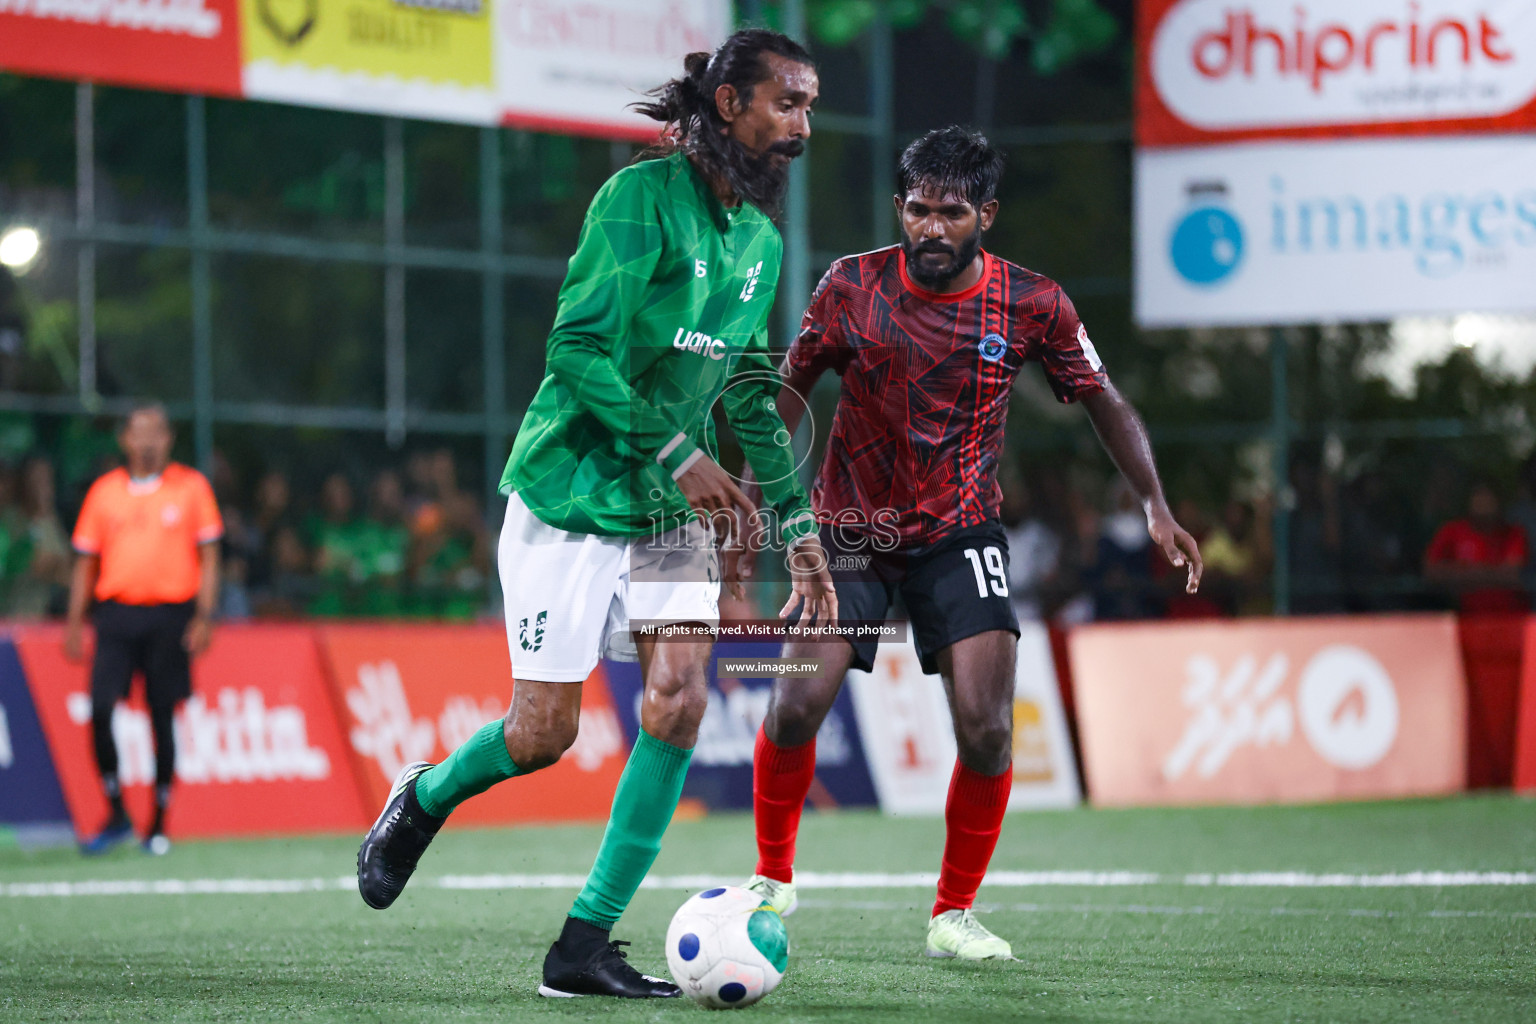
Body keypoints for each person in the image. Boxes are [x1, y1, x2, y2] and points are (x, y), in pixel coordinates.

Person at [355, 29, 835, 1000]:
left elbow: (747, 388)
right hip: (571, 495)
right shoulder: (636, 201)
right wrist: (676, 448)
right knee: (543, 734)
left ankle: (584, 942)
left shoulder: (760, 240)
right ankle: (426, 795)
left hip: (664, 515)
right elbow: (576, 350)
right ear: (732, 102)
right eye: (786, 104)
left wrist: (797, 527)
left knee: (681, 699)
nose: (803, 127)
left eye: (810, 107)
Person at [735, 127, 1202, 959]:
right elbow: (790, 387)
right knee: (797, 703)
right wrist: (758, 500)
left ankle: (953, 914)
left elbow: (1102, 398)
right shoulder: (851, 285)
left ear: (985, 212)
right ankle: (773, 875)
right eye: (918, 209)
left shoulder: (1034, 302)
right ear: (899, 208)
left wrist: (1154, 505)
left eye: (951, 212)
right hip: (853, 529)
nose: (932, 228)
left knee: (986, 730)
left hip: (961, 532)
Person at [64, 403, 223, 855]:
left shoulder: (191, 488)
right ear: (125, 439)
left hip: (170, 616)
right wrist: (75, 622)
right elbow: (84, 562)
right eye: (139, 431)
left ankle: (157, 823)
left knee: (160, 715)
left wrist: (205, 615)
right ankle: (115, 810)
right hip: (115, 616)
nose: (148, 440)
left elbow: (210, 558)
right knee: (98, 708)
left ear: (169, 438)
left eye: (156, 431)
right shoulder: (104, 493)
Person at [1424, 481, 1528, 613]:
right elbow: (1432, 573)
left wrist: (1462, 573)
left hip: (1510, 618)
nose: (1483, 503)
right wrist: (1489, 573)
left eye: (1488, 498)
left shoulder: (1513, 533)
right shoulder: (1451, 531)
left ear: (1498, 502)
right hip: (1466, 617)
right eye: (1479, 497)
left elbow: (1512, 575)